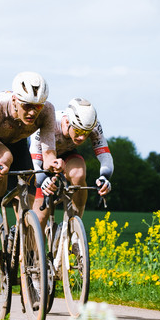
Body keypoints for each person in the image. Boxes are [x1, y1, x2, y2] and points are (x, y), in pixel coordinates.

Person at [0, 71, 62, 256]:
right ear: (14, 100)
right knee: (4, 159)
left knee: (27, 194)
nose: (32, 112)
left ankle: (24, 256)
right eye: (26, 106)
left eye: (37, 107)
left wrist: (54, 163)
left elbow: (49, 153)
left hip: (17, 142)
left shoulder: (47, 111)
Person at [30, 97, 113, 227]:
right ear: (67, 121)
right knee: (40, 218)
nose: (82, 137)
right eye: (79, 131)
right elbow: (34, 160)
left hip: (67, 155)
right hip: (42, 160)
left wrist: (105, 177)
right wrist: (42, 179)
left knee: (78, 174)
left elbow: (105, 154)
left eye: (87, 133)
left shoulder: (92, 124)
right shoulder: (51, 122)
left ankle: (74, 225)